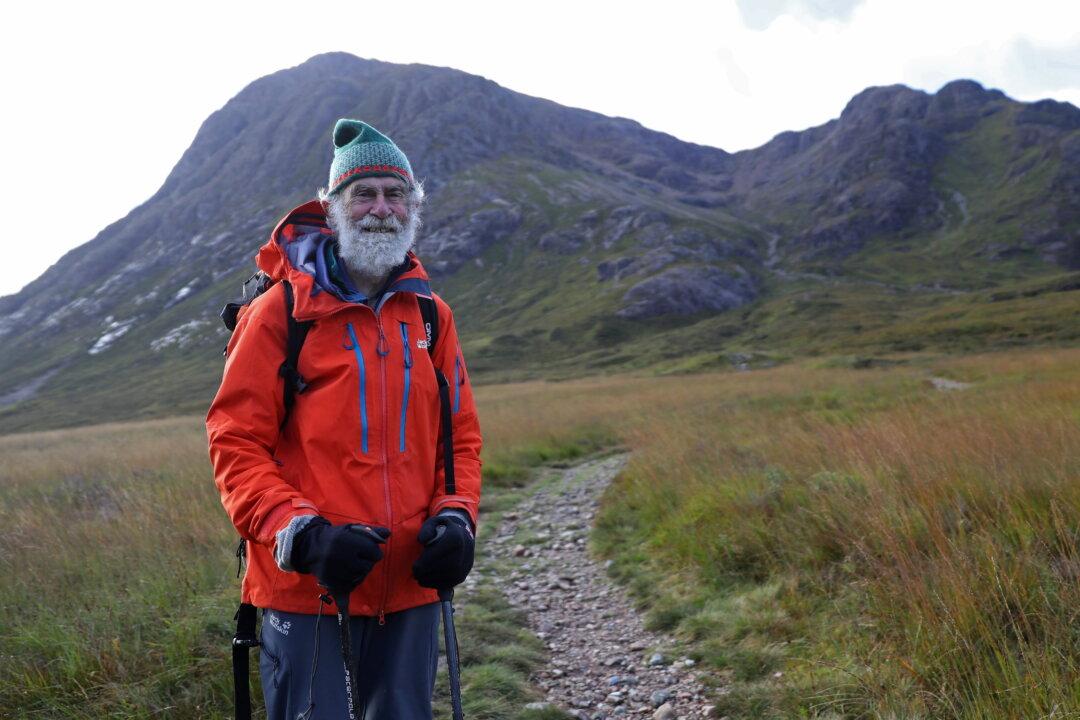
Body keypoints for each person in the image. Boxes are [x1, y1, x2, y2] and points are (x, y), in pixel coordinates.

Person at [206, 118, 482, 720]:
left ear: (413, 205)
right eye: (364, 193)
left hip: (411, 585)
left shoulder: (432, 316)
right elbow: (235, 442)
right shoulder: (280, 312)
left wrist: (458, 519)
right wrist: (303, 535)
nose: (382, 208)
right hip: (308, 589)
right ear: (331, 207)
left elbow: (457, 438)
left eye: (396, 192)